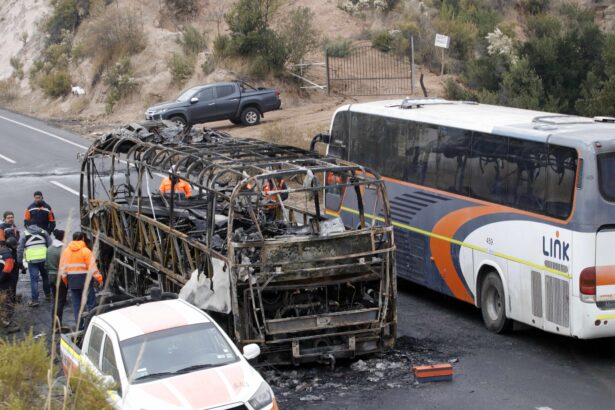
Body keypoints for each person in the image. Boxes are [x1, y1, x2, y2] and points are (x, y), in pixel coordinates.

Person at [60, 232, 103, 330]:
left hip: (73, 282)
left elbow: (63, 270)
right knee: (91, 303)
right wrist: (100, 279)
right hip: (85, 281)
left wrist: (66, 282)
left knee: (76, 305)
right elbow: (93, 269)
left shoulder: (66, 251)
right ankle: (91, 325)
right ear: (82, 239)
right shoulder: (86, 251)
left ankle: (79, 326)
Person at [17, 220, 52, 307]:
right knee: (45, 277)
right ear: (36, 224)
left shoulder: (24, 234)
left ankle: (35, 300)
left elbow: (20, 249)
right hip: (44, 258)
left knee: (34, 280)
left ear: (27, 225)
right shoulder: (44, 232)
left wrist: (19, 262)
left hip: (32, 260)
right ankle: (48, 295)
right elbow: (50, 245)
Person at [46, 229, 67, 330]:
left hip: (50, 276)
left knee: (55, 300)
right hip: (59, 277)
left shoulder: (49, 248)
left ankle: (53, 324)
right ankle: (57, 325)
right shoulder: (63, 249)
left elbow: (46, 264)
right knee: (60, 301)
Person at [0, 240, 18, 333]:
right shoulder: (8, 256)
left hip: (3, 281)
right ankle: (6, 321)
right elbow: (7, 270)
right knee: (7, 301)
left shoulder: (2, 252)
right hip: (5, 283)